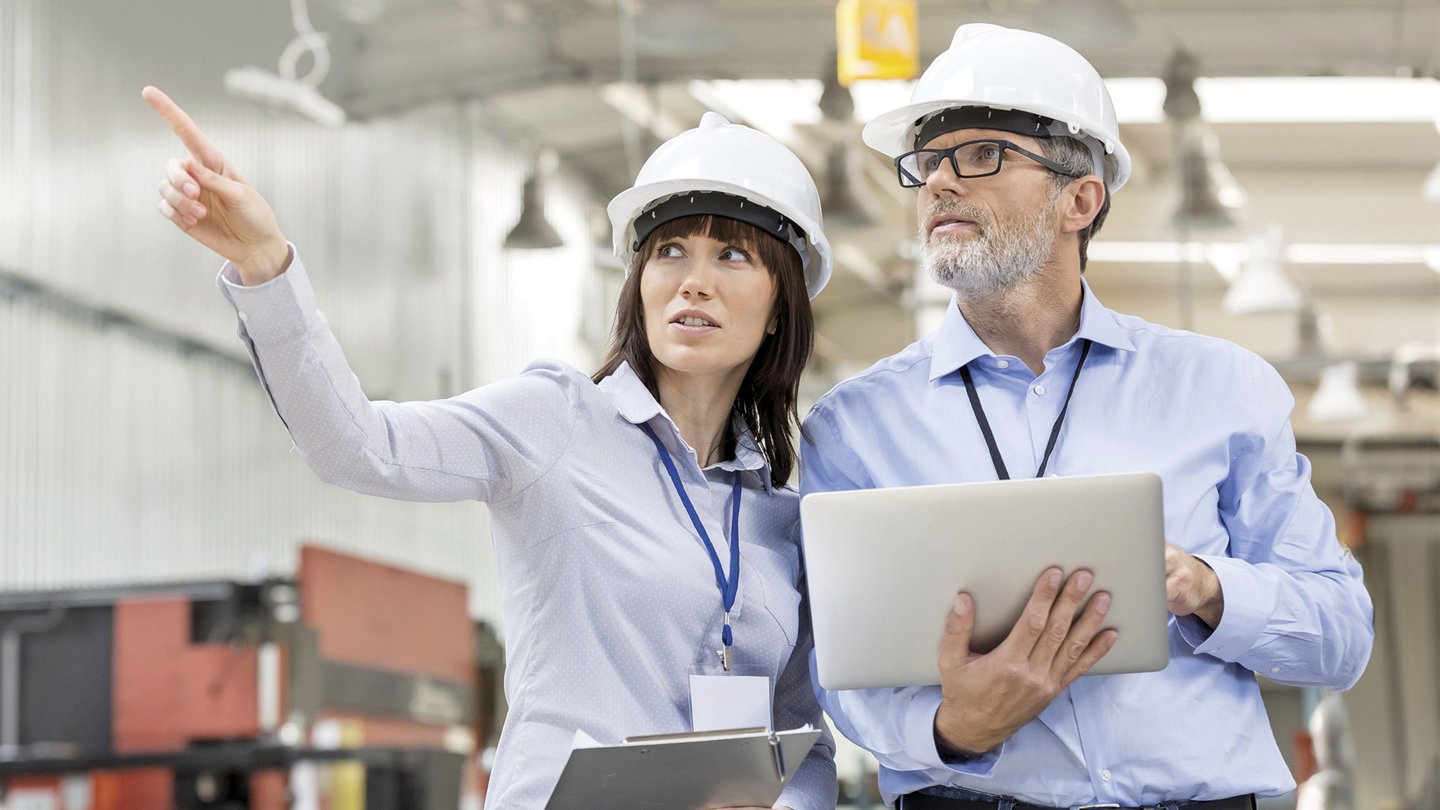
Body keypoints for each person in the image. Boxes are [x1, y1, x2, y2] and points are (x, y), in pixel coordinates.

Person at [143, 87, 837, 810]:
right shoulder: (554, 421)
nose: (695, 280)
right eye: (670, 249)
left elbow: (802, 738)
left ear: (780, 303)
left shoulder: (780, 518)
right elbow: (357, 445)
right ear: (639, 282)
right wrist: (264, 264)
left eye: (732, 254)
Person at [799, 23, 1374, 810]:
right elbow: (828, 661)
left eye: (981, 155)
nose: (938, 183)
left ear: (1081, 198)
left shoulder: (1221, 389)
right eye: (927, 162)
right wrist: (951, 727)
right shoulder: (855, 427)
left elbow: (1341, 635)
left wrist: (1207, 588)